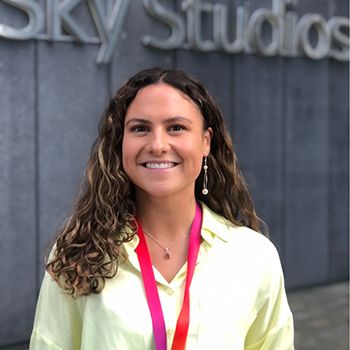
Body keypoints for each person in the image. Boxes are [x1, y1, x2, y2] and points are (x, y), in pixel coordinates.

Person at [30, 67, 294, 350]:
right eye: (140, 128)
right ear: (121, 142)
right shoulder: (78, 253)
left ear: (205, 141)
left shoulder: (254, 256)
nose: (157, 145)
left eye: (176, 127)